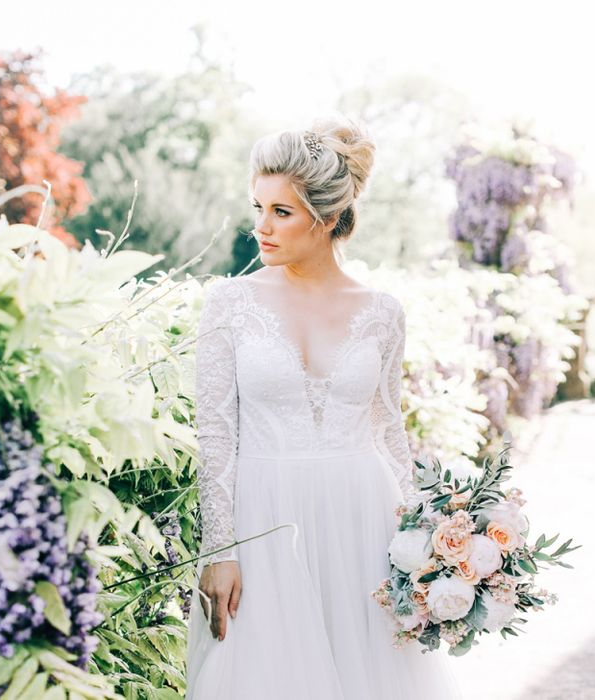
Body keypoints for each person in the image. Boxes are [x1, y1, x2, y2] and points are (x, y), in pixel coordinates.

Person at [185, 116, 464, 699]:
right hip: (266, 523)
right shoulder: (230, 305)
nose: (261, 226)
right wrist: (219, 550)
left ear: (330, 218)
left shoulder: (383, 311)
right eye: (258, 207)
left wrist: (426, 543)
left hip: (364, 518)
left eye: (281, 213)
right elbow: (214, 436)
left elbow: (389, 431)